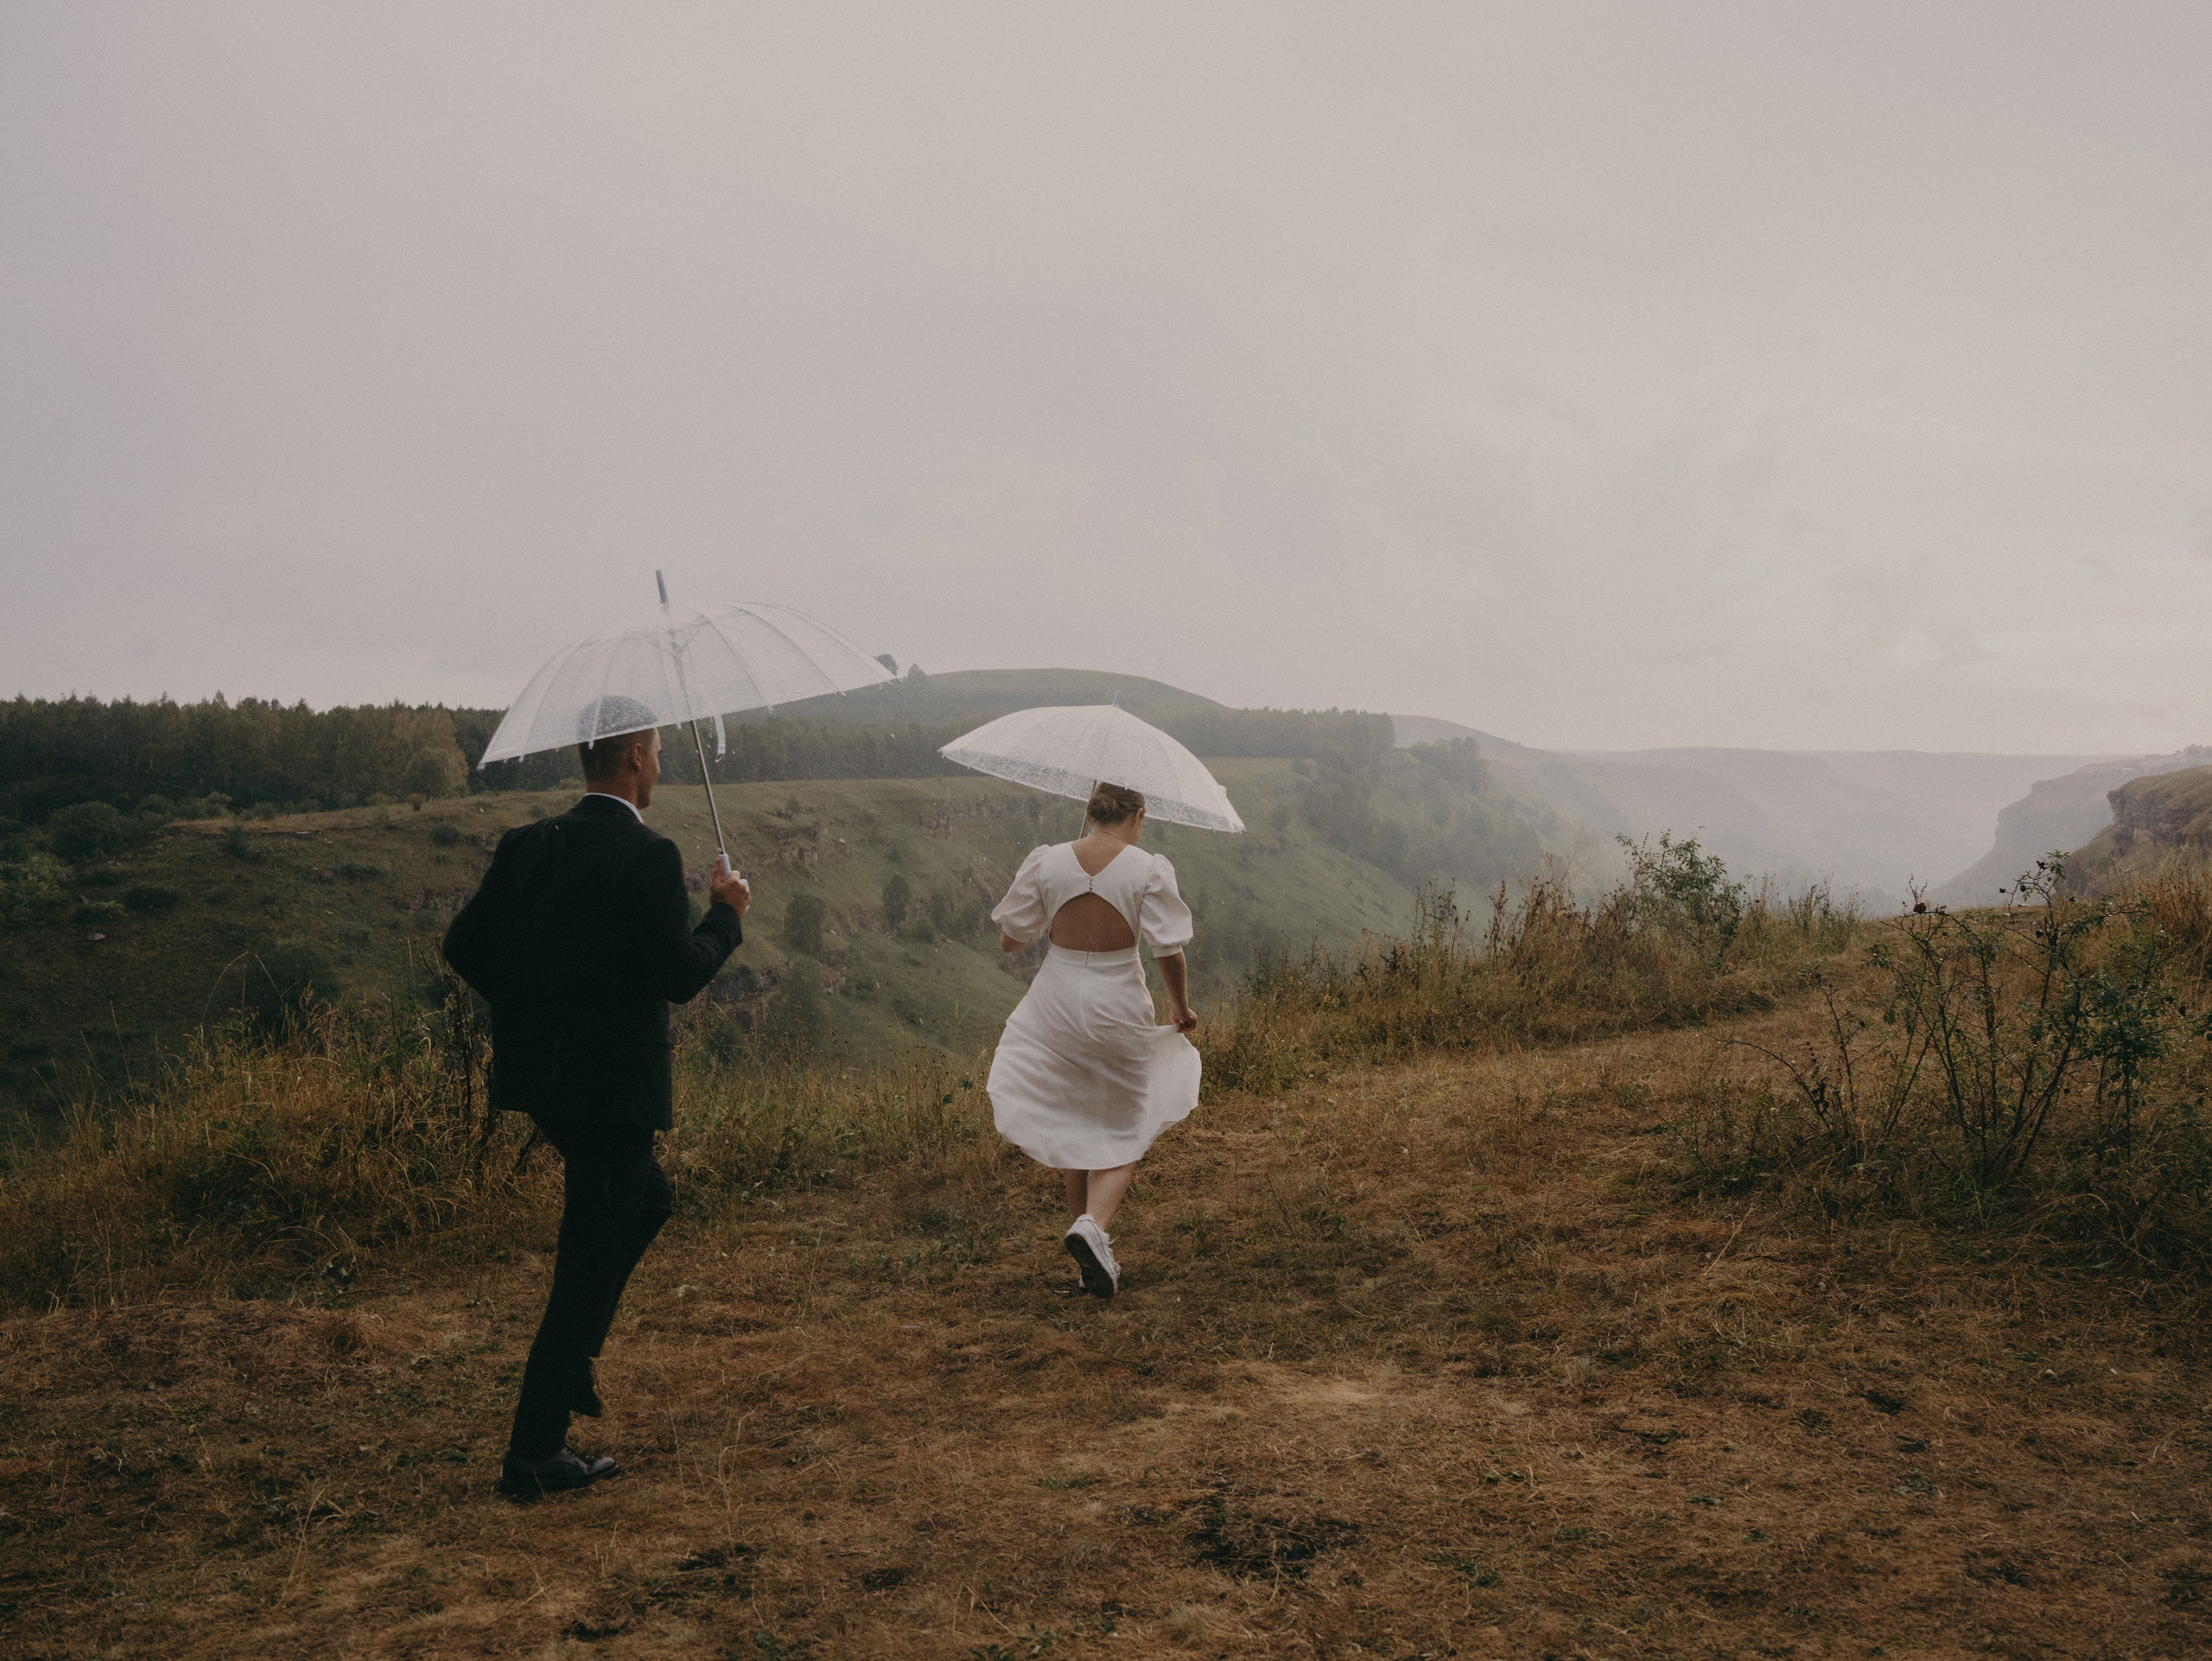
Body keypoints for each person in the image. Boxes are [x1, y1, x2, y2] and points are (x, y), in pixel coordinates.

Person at [442, 697, 752, 1497]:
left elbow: (464, 945)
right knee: (584, 1262)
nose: (661, 765)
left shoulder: (528, 844)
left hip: (545, 1081)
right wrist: (727, 916)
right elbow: (681, 974)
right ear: (635, 761)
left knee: (646, 1198)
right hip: (614, 1089)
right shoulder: (646, 857)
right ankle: (533, 1453)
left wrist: (535, 1007)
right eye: (655, 752)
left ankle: (575, 1358)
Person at [987, 783, 1200, 1298]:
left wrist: (1055, 898)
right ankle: (1094, 1228)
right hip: (1116, 1001)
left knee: (1072, 1118)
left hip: (1054, 1001)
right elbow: (1167, 949)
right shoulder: (1148, 869)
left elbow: (1011, 941)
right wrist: (1179, 1006)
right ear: (1138, 816)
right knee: (1129, 1117)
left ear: (1090, 811)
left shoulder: (1048, 860)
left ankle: (1089, 1268)